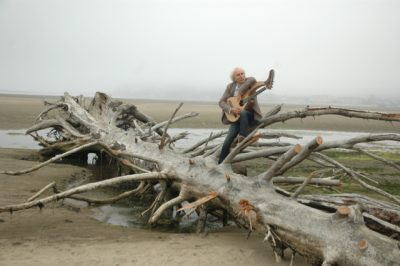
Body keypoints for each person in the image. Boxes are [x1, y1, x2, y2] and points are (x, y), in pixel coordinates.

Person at [218, 67, 274, 164]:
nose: (241, 76)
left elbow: (253, 79)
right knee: (227, 142)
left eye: (242, 73)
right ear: (234, 78)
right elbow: (221, 102)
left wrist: (240, 93)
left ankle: (243, 136)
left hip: (249, 115)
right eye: (238, 75)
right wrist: (231, 109)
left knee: (243, 112)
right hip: (236, 118)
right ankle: (220, 164)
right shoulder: (230, 87)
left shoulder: (250, 81)